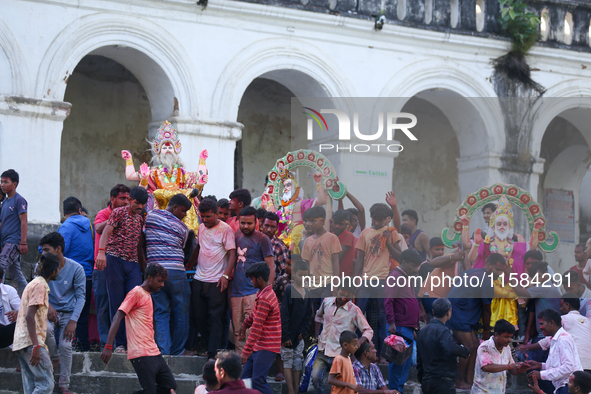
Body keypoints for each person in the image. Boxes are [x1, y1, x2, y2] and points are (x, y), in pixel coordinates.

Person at [101, 263, 177, 394]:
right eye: (160, 281)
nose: (162, 285)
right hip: (141, 354)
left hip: (154, 352)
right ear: (150, 278)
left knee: (169, 386)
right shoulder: (136, 292)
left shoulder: (147, 295)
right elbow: (117, 317)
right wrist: (108, 346)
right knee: (150, 391)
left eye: (163, 281)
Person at [121, 120, 208, 233]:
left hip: (180, 210)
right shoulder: (153, 172)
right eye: (165, 148)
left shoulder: (181, 173)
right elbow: (130, 176)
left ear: (176, 150)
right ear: (159, 151)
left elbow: (199, 177)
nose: (167, 150)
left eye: (170, 148)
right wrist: (129, 160)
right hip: (159, 210)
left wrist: (202, 160)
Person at [96, 186, 148, 353]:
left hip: (132, 263)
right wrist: (101, 253)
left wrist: (143, 266)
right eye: (137, 203)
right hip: (114, 259)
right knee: (117, 302)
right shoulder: (118, 213)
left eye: (143, 204)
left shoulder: (140, 219)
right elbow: (105, 233)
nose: (139, 207)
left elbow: (139, 245)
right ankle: (118, 344)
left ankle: (132, 341)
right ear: (131, 200)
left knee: (134, 302)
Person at [446, 252, 507, 389]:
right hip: (458, 315)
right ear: (489, 266)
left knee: (474, 346)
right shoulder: (486, 281)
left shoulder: (471, 271)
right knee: (468, 347)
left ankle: (469, 381)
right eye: (498, 270)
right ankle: (460, 381)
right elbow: (486, 310)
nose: (499, 273)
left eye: (502, 271)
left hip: (457, 313)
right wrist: (486, 331)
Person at [145, 193, 192, 356]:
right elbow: (183, 246)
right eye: (183, 211)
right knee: (181, 312)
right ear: (175, 207)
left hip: (154, 272)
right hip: (176, 271)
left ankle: (163, 350)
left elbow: (148, 198)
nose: (185, 215)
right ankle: (178, 350)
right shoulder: (183, 228)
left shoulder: (150, 216)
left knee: (160, 312)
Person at [190, 197, 236, 360]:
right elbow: (198, 247)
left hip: (217, 281)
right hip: (199, 278)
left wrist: (225, 275)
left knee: (216, 317)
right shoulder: (201, 227)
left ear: (216, 214)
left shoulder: (226, 229)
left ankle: (213, 353)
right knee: (199, 315)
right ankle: (209, 347)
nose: (204, 220)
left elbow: (232, 254)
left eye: (208, 216)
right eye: (202, 216)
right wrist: (188, 265)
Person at [40, 232, 86, 394]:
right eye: (42, 250)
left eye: (46, 250)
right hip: (48, 310)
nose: (43, 253)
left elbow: (81, 297)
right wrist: (49, 306)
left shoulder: (76, 269)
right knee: (47, 331)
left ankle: (64, 385)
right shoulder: (40, 267)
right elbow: (38, 290)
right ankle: (54, 358)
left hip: (68, 314)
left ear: (58, 249)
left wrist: (73, 321)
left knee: (66, 345)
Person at [12, 253, 60, 394]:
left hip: (21, 342)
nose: (59, 271)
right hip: (31, 342)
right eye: (58, 268)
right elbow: (29, 317)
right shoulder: (40, 285)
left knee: (31, 387)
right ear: (53, 270)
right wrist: (36, 346)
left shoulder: (33, 283)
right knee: (46, 385)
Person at [312, 287, 373, 394]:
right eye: (342, 294)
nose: (344, 298)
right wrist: (317, 334)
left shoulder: (354, 310)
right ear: (336, 291)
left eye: (348, 295)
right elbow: (318, 316)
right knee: (315, 378)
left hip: (341, 355)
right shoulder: (326, 302)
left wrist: (359, 342)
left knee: (342, 386)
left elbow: (368, 331)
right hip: (323, 350)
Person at [231, 206, 274, 356]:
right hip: (236, 292)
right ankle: (241, 369)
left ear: (256, 222)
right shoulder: (236, 237)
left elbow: (270, 265)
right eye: (243, 223)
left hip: (253, 292)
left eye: (249, 223)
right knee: (238, 331)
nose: (245, 226)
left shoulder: (263, 239)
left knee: (252, 331)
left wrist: (269, 290)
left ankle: (252, 366)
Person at [93, 184, 130, 349]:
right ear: (113, 199)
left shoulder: (131, 215)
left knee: (119, 306)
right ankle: (104, 343)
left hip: (120, 266)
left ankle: (118, 344)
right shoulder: (104, 213)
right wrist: (116, 218)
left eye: (128, 199)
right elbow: (98, 228)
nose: (126, 202)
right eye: (123, 198)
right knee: (103, 307)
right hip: (101, 267)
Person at [238, 262, 281, 394]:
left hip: (267, 346)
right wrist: (245, 324)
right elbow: (254, 316)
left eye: (252, 278)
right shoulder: (263, 293)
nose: (251, 281)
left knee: (257, 381)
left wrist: (245, 351)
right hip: (259, 345)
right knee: (245, 380)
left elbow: (256, 327)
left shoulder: (265, 298)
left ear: (259, 279)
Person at [58, 196, 94, 352]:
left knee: (66, 313)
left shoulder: (66, 227)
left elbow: (60, 250)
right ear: (80, 210)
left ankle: (65, 347)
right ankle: (84, 347)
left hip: (70, 275)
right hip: (87, 274)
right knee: (83, 314)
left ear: (64, 212)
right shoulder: (89, 225)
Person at [384, 249, 422, 392]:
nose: (416, 269)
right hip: (399, 326)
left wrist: (415, 327)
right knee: (398, 361)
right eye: (413, 265)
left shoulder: (406, 277)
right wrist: (391, 322)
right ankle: (394, 389)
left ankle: (398, 389)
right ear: (404, 262)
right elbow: (388, 301)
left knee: (405, 362)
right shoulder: (395, 276)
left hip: (408, 327)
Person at [417, 298, 470, 394]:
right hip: (442, 382)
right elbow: (452, 348)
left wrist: (422, 379)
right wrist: (465, 351)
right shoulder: (443, 331)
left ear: (433, 312)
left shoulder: (423, 332)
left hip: (427, 381)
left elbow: (419, 360)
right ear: (449, 312)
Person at [523, 309, 583, 394]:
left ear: (551, 323)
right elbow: (558, 365)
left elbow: (568, 367)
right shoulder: (555, 340)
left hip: (568, 387)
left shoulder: (563, 339)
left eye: (541, 324)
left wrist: (541, 375)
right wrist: (540, 365)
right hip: (564, 386)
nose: (540, 327)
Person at [281, 258, 313, 394]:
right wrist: (285, 335)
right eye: (300, 275)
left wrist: (303, 332)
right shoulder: (289, 291)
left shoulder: (308, 292)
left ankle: (296, 390)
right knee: (288, 361)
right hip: (288, 335)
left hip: (299, 336)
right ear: (294, 274)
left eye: (305, 275)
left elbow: (308, 315)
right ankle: (290, 391)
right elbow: (285, 315)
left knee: (298, 361)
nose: (303, 278)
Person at [471, 319, 528, 394]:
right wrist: (509, 366)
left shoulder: (507, 348)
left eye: (511, 337)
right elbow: (486, 367)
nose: (509, 340)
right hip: (482, 391)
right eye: (506, 337)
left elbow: (512, 369)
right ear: (496, 335)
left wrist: (520, 370)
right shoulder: (485, 347)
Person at [301, 206, 342, 303]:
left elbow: (336, 262)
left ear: (323, 221)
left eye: (313, 221)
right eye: (306, 221)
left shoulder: (332, 238)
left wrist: (335, 285)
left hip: (327, 284)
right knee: (314, 314)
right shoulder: (307, 241)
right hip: (312, 286)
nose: (308, 224)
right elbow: (306, 265)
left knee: (326, 312)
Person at [418, 247, 466, 323]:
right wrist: (453, 257)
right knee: (438, 322)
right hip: (431, 294)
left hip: (443, 299)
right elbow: (433, 263)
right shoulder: (458, 256)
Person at [0, 169, 28, 293]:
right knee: (15, 273)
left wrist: (23, 242)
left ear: (14, 184)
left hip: (13, 241)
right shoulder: (4, 202)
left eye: (5, 182)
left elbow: (24, 221)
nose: (2, 185)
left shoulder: (19, 200)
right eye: (1, 182)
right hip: (5, 242)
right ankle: (29, 295)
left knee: (1, 268)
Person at [559, 295, 591, 373]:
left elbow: (549, 340)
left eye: (561, 305)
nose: (560, 309)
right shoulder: (588, 321)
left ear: (567, 305)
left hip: (575, 364)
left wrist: (527, 347)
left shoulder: (563, 319)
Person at [261, 212, 289, 279]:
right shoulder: (255, 241)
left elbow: (285, 272)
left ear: (276, 228)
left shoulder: (280, 246)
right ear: (262, 225)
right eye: (266, 226)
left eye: (272, 227)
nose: (269, 230)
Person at [332, 209, 357, 277]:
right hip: (332, 276)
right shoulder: (331, 235)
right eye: (335, 223)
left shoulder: (348, 235)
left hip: (345, 276)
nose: (337, 226)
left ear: (347, 224)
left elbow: (338, 257)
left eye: (340, 224)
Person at [0, 266, 20, 348]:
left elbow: (23, 309)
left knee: (26, 320)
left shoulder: (8, 290)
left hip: (6, 332)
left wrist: (17, 312)